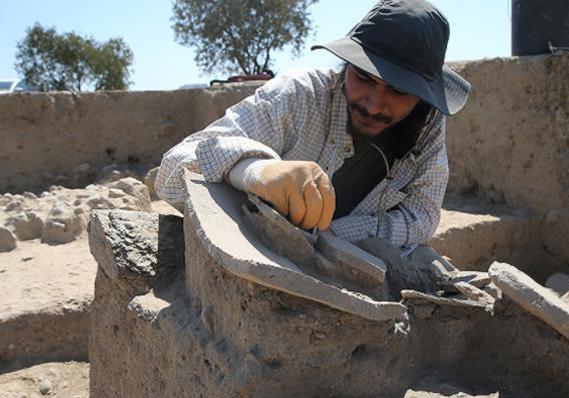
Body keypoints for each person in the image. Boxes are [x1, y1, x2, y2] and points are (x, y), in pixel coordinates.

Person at [156, 0, 470, 268]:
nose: (374, 104)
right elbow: (172, 172)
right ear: (348, 65)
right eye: (363, 76)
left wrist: (333, 234)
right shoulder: (298, 97)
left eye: (399, 90)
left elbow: (424, 214)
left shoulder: (426, 126)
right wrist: (253, 171)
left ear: (421, 96)